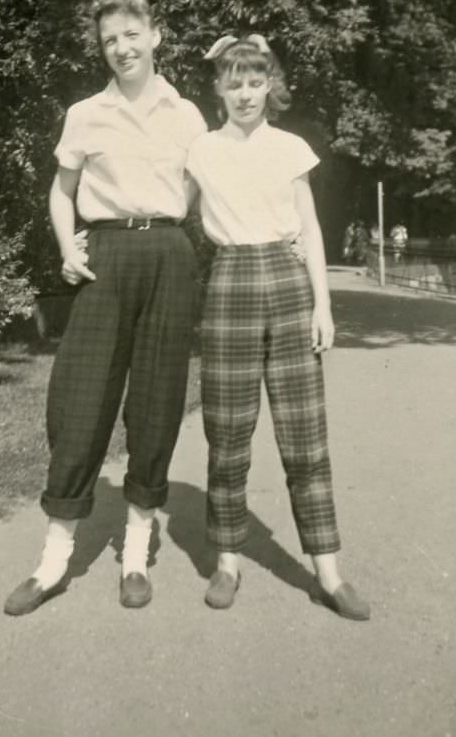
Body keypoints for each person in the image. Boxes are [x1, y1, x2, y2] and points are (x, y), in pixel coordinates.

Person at [4, 0, 206, 616]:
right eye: (109, 38)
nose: (121, 47)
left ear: (155, 36)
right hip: (106, 258)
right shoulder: (85, 114)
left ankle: (137, 551)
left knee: (156, 401)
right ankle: (54, 557)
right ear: (101, 47)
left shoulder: (187, 113)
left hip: (170, 256)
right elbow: (61, 192)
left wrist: (169, 229)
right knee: (80, 400)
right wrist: (68, 248)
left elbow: (198, 187)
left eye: (131, 35)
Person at [185, 34, 370, 620]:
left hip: (288, 285)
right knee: (228, 437)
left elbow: (311, 231)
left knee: (305, 439)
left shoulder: (292, 148)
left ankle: (330, 572)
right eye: (233, 82)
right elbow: (165, 206)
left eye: (254, 81)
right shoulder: (201, 151)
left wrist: (324, 306)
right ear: (218, 88)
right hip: (230, 284)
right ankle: (227, 563)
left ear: (271, 86)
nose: (245, 94)